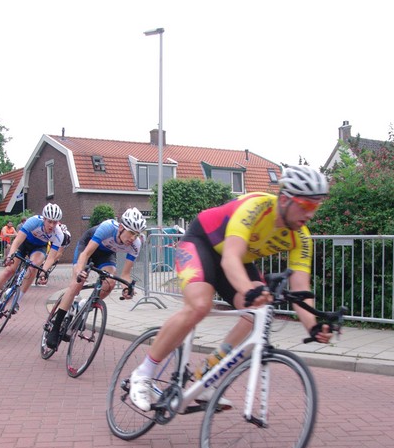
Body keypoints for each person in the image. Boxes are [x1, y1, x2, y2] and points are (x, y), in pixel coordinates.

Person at [127, 166, 337, 411]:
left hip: (237, 259)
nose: (310, 213)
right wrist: (249, 290)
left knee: (258, 311)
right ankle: (143, 373)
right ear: (284, 199)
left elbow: (301, 288)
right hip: (202, 243)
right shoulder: (256, 207)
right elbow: (230, 259)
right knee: (199, 305)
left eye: (316, 206)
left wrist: (313, 326)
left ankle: (205, 374)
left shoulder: (301, 237)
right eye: (305, 205)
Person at [44, 208, 144, 351]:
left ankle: (83, 307)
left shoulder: (136, 245)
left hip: (106, 254)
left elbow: (125, 275)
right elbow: (85, 255)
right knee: (76, 284)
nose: (133, 238)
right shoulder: (107, 228)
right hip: (87, 248)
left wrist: (126, 289)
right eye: (131, 233)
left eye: (137, 234)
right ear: (121, 227)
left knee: (110, 283)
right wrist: (79, 271)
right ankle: (56, 327)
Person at [0, 203, 65, 319]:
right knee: (9, 270)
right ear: (44, 219)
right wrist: (10, 256)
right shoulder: (34, 221)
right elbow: (17, 241)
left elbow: (51, 257)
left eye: (55, 222)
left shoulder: (59, 234)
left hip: (39, 248)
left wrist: (44, 272)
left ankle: (17, 301)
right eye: (49, 221)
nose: (52, 225)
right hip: (24, 243)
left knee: (34, 267)